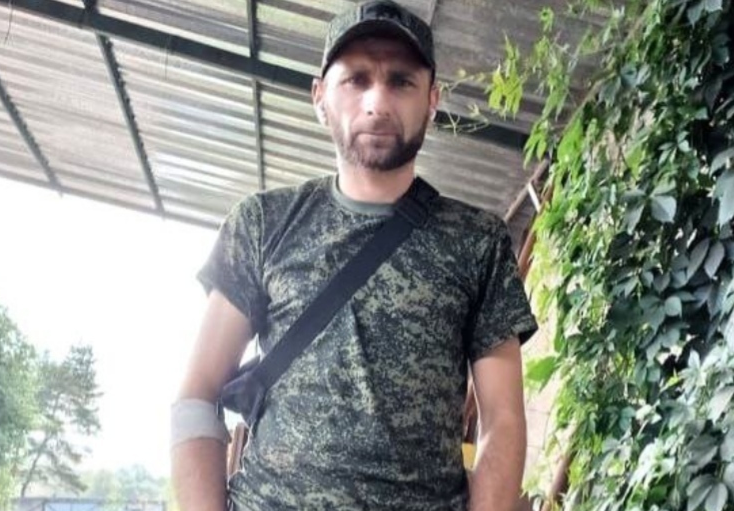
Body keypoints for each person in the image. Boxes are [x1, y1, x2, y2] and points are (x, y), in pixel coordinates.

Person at [170, 1, 537, 509]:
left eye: (401, 81)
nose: (377, 102)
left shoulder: (478, 241)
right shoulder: (261, 224)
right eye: (356, 79)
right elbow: (197, 396)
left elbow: (503, 419)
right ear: (320, 97)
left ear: (432, 99)